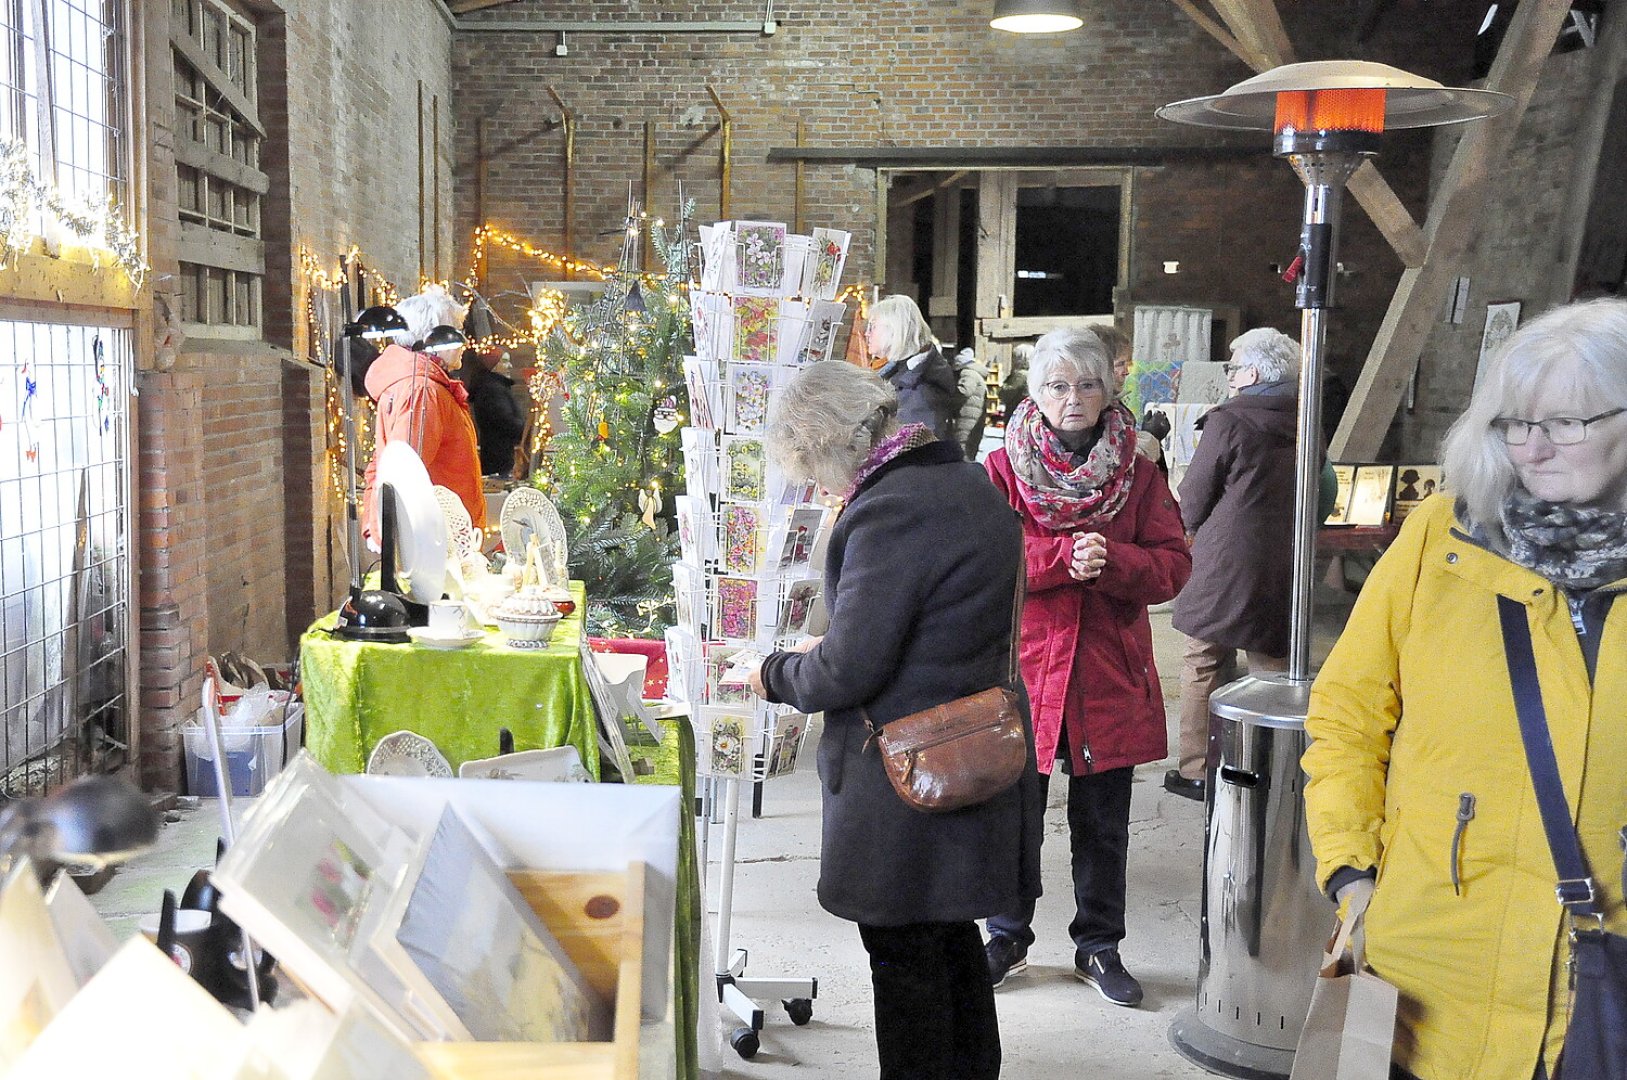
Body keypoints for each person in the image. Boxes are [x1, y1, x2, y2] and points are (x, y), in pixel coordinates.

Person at [1302, 297, 1627, 1080]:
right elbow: (1347, 713)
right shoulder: (1438, 538)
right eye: (1513, 423)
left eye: (1565, 423)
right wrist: (1351, 873)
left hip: (1601, 989)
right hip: (1428, 961)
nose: (1531, 448)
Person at [745, 360, 1038, 1080]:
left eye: (810, 465)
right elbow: (924, 624)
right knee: (948, 940)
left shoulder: (889, 508)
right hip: (966, 737)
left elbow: (849, 670)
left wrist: (771, 672)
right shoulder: (960, 479)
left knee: (903, 954)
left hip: (907, 765)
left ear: (829, 440)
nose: (819, 485)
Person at [981, 326, 1191, 1006]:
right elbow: (981, 558)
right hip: (1027, 669)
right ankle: (1006, 933)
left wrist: (1116, 562)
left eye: (1087, 384)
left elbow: (1173, 565)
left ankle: (1098, 945)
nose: (1072, 398)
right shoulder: (1001, 468)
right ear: (1034, 392)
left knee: (1103, 824)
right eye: (1057, 385)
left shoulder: (1140, 470)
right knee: (1013, 814)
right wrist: (1056, 560)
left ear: (1109, 390)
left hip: (1108, 670)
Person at [1165, 328, 1301, 801]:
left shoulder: (1230, 420)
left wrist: (1184, 524)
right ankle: (1273, 762)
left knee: (1204, 656)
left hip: (1226, 556)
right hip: (1285, 553)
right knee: (1272, 662)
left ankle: (1198, 769)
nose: (1229, 374)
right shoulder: (1307, 418)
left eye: (1232, 364)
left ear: (1253, 373)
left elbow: (1197, 491)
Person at [361, 286, 485, 545]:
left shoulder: (421, 386)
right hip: (435, 545)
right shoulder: (422, 390)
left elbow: (384, 464)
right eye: (456, 333)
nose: (463, 342)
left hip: (441, 541)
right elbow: (403, 474)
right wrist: (383, 536)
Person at [863, 295, 963, 442]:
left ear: (895, 330)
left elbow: (909, 453)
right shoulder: (898, 374)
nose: (867, 333)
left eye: (873, 326)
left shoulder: (920, 389)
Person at [460, 347, 528, 477]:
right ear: (493, 365)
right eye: (505, 361)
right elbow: (504, 421)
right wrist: (525, 431)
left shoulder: (492, 387)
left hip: (496, 455)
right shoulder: (492, 390)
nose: (510, 365)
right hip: (500, 458)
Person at [950, 346, 991, 459]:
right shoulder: (975, 373)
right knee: (969, 452)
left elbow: (964, 391)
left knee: (962, 453)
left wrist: (948, 402)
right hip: (973, 420)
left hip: (965, 421)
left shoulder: (968, 373)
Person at [999, 342, 1034, 422]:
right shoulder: (1036, 374)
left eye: (1014, 357)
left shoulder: (1020, 376)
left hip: (1017, 416)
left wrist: (1002, 384)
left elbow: (1004, 394)